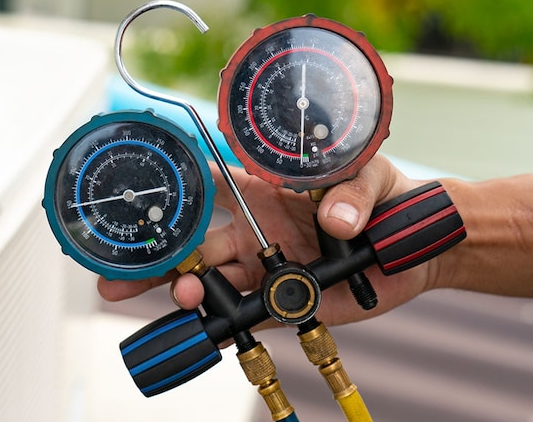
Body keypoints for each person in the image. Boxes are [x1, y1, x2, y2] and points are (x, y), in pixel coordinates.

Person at [97, 154, 533, 328]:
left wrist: (443, 256)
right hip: (367, 249)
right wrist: (439, 256)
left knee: (192, 286)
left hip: (362, 251)